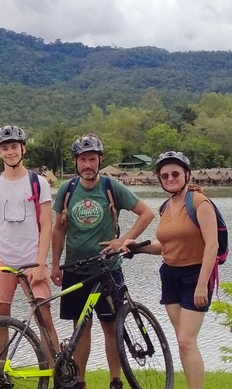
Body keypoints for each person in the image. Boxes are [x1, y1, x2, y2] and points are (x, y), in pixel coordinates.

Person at [50, 134, 155, 389]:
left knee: (111, 327)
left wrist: (125, 240)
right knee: (81, 328)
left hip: (108, 270)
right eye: (83, 159)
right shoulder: (67, 189)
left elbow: (147, 213)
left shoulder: (110, 186)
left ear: (100, 161)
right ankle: (80, 381)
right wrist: (54, 263)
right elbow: (58, 229)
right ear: (76, 162)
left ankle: (115, 380)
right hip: (76, 269)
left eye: (92, 160)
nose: (88, 165)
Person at [120, 151, 218, 389]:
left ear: (186, 174)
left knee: (186, 341)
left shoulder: (199, 202)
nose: (170, 178)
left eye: (175, 173)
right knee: (182, 341)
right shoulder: (166, 207)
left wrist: (202, 284)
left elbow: (212, 244)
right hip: (170, 275)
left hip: (196, 275)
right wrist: (139, 248)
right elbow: (166, 246)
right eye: (165, 175)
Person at [0, 126, 59, 358]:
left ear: (23, 148)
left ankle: (57, 375)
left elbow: (47, 226)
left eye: (14, 146)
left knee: (44, 317)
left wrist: (41, 263)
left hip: (31, 258)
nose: (10, 152)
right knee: (0, 319)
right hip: (1, 256)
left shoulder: (38, 182)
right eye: (5, 148)